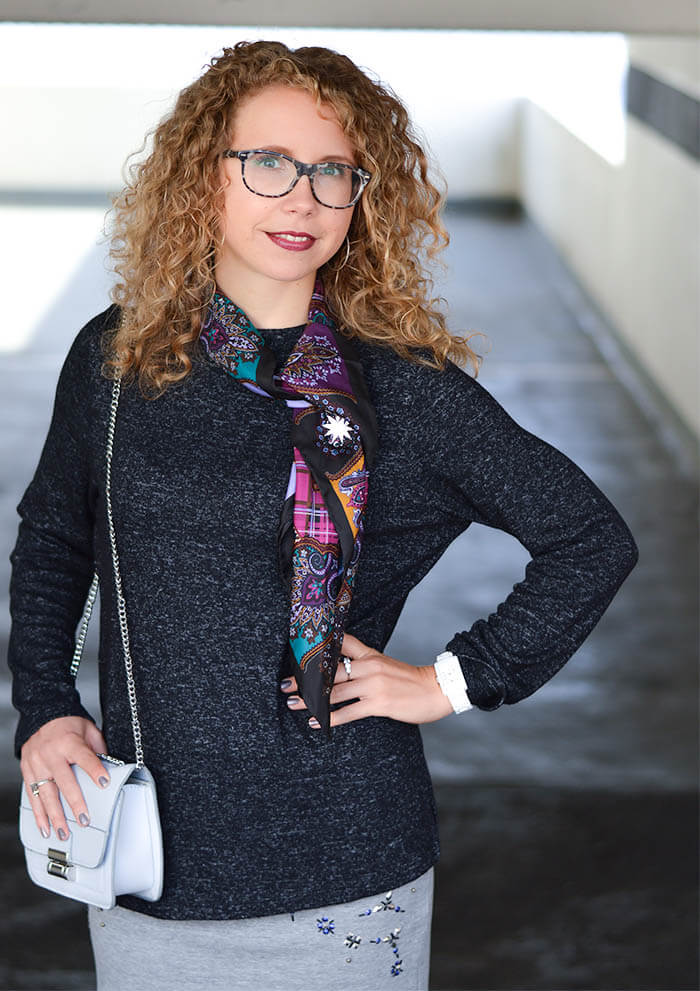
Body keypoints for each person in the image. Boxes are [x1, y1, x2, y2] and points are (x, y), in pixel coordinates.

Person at [7, 40, 638, 991]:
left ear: (359, 197)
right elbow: (58, 538)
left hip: (350, 868)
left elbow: (590, 538)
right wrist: (47, 706)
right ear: (202, 177)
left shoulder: (403, 391)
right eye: (267, 163)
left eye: (331, 171)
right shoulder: (119, 362)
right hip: (153, 861)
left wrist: (454, 681)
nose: (300, 198)